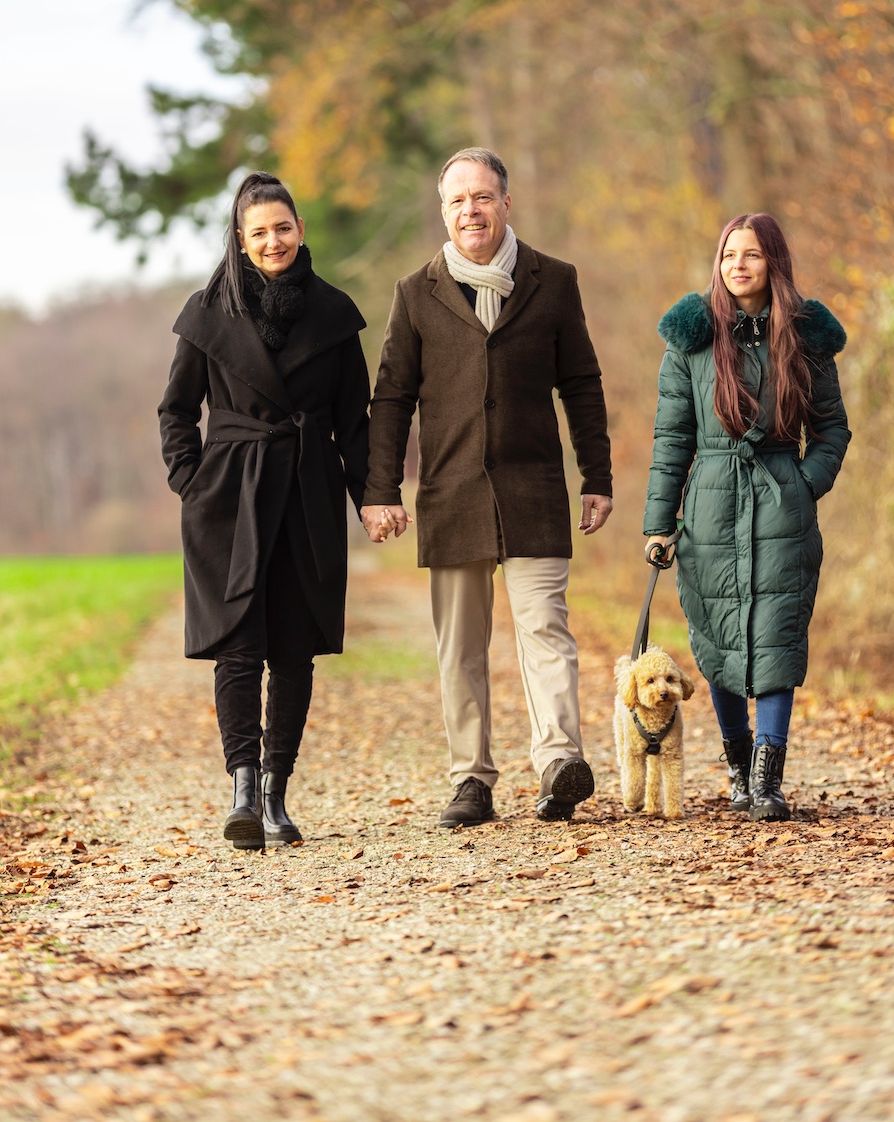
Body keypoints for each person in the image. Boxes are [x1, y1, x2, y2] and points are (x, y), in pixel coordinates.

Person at [361, 147, 613, 828]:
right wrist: (379, 487)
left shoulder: (552, 281)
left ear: (507, 202)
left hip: (534, 489)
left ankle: (560, 761)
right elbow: (390, 398)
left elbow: (581, 383)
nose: (469, 209)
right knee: (461, 646)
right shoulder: (417, 293)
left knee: (545, 628)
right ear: (444, 212)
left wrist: (598, 475)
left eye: (481, 196)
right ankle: (470, 778)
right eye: (456, 200)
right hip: (452, 492)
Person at [158, 172, 370, 849]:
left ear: (300, 230)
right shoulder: (207, 312)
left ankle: (278, 791)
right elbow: (175, 409)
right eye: (259, 233)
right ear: (241, 242)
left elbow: (355, 420)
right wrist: (192, 481)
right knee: (239, 647)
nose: (273, 240)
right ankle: (243, 788)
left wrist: (371, 495)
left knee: (295, 649)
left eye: (283, 227)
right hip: (229, 497)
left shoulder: (335, 315)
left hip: (307, 490)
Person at [642, 212, 850, 822]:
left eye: (752, 254)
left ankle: (768, 778)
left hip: (782, 507)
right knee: (720, 637)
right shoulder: (693, 338)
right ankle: (737, 768)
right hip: (709, 507)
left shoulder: (807, 337)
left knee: (778, 635)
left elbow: (832, 430)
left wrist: (803, 484)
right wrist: (660, 521)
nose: (738, 264)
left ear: (774, 263)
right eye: (729, 254)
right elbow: (670, 439)